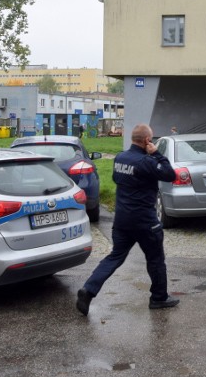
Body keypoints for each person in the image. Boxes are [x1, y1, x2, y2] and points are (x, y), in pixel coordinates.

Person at [76, 124, 179, 315]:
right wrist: (156, 154)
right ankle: (159, 297)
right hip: (145, 221)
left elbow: (116, 179)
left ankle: (88, 290)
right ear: (148, 141)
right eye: (151, 139)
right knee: (155, 259)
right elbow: (170, 174)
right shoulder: (146, 162)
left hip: (122, 219)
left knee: (115, 256)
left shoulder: (120, 158)